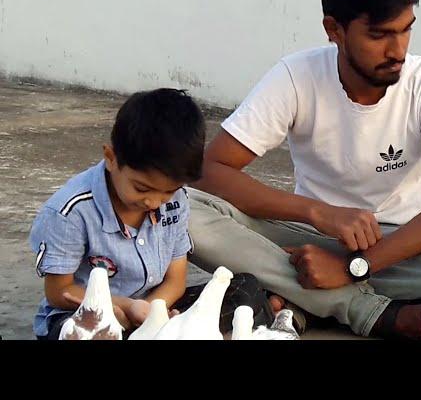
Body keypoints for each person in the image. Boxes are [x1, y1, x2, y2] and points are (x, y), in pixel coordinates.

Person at [188, 0, 421, 340]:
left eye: (406, 30)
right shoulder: (296, 77)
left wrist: (356, 268)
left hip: (411, 245)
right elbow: (208, 171)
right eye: (379, 35)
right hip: (312, 240)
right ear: (334, 30)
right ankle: (370, 310)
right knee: (183, 211)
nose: (397, 49)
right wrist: (317, 212)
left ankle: (305, 296)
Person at [29, 88, 273, 340]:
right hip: (91, 314)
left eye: (168, 191)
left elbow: (176, 281)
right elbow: (60, 292)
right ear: (111, 158)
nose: (154, 201)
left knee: (246, 290)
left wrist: (153, 315)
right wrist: (128, 308)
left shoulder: (177, 201)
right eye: (141, 188)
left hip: (156, 307)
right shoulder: (70, 211)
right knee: (85, 334)